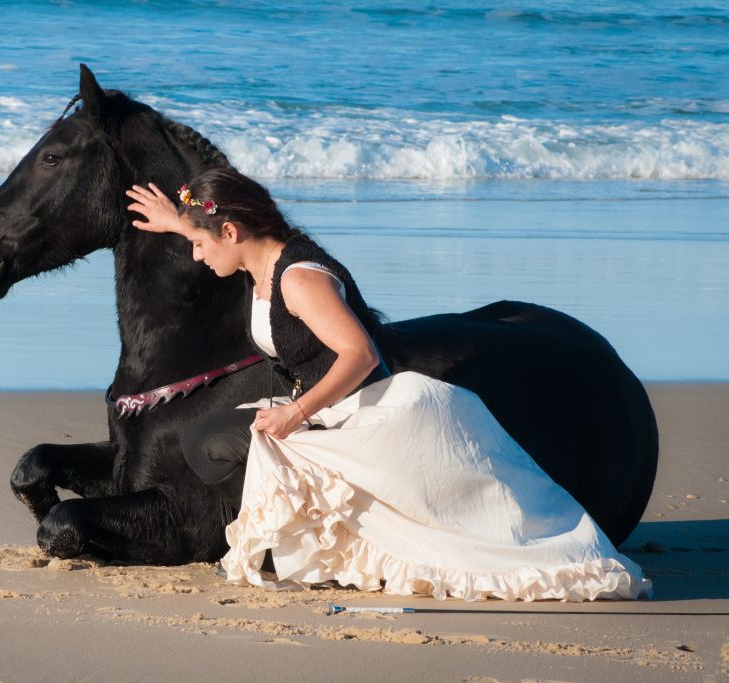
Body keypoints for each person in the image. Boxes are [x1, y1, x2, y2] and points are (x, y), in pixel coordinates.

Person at [126, 168, 650, 601]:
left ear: (232, 233)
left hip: (365, 411)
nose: (195, 254)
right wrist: (181, 221)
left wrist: (295, 413)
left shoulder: (299, 278)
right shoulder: (260, 255)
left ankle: (306, 545)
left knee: (216, 441)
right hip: (331, 406)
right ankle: (299, 537)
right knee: (205, 441)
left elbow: (361, 353)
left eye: (198, 243)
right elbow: (223, 235)